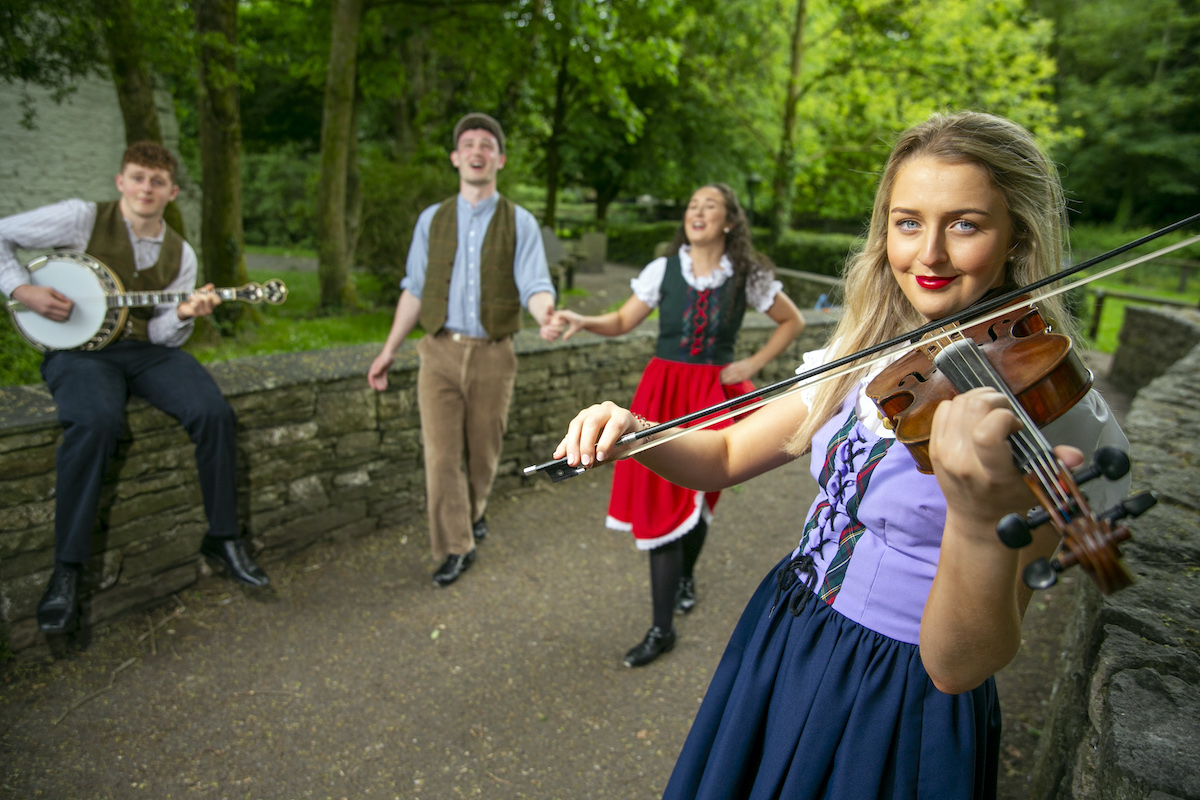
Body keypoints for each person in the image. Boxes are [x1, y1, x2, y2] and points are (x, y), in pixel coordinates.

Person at [553, 111, 1131, 798]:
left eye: (966, 224)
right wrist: (636, 430)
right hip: (787, 633)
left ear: (1017, 239)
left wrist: (980, 522)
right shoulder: (866, 353)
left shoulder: (1045, 405)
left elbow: (960, 667)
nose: (930, 255)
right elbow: (729, 452)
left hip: (898, 694)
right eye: (908, 222)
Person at [0, 141, 270, 637]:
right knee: (96, 422)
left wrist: (185, 314)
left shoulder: (181, 253)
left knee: (213, 412)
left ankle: (224, 537)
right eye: (138, 177)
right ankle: (67, 570)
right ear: (121, 181)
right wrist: (22, 290)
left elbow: (164, 332)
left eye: (157, 181)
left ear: (172, 192)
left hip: (145, 350)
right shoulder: (81, 219)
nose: (146, 187)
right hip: (80, 352)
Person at [549, 184, 804, 667]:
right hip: (661, 393)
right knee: (660, 500)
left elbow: (790, 323)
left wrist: (751, 363)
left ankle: (686, 575)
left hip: (714, 396)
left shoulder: (747, 274)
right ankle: (661, 626)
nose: (697, 211)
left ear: (729, 221)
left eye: (710, 205)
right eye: (691, 205)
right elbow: (623, 320)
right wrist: (582, 319)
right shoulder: (662, 270)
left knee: (701, 496)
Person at [368, 112, 558, 587]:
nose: (477, 151)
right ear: (456, 157)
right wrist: (389, 348)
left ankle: (472, 514)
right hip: (438, 351)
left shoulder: (522, 222)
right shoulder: (432, 220)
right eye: (469, 144)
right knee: (440, 455)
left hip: (495, 353)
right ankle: (457, 545)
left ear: (499, 159)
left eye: (487, 145)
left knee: (483, 454)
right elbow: (414, 289)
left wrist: (547, 316)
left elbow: (534, 283)